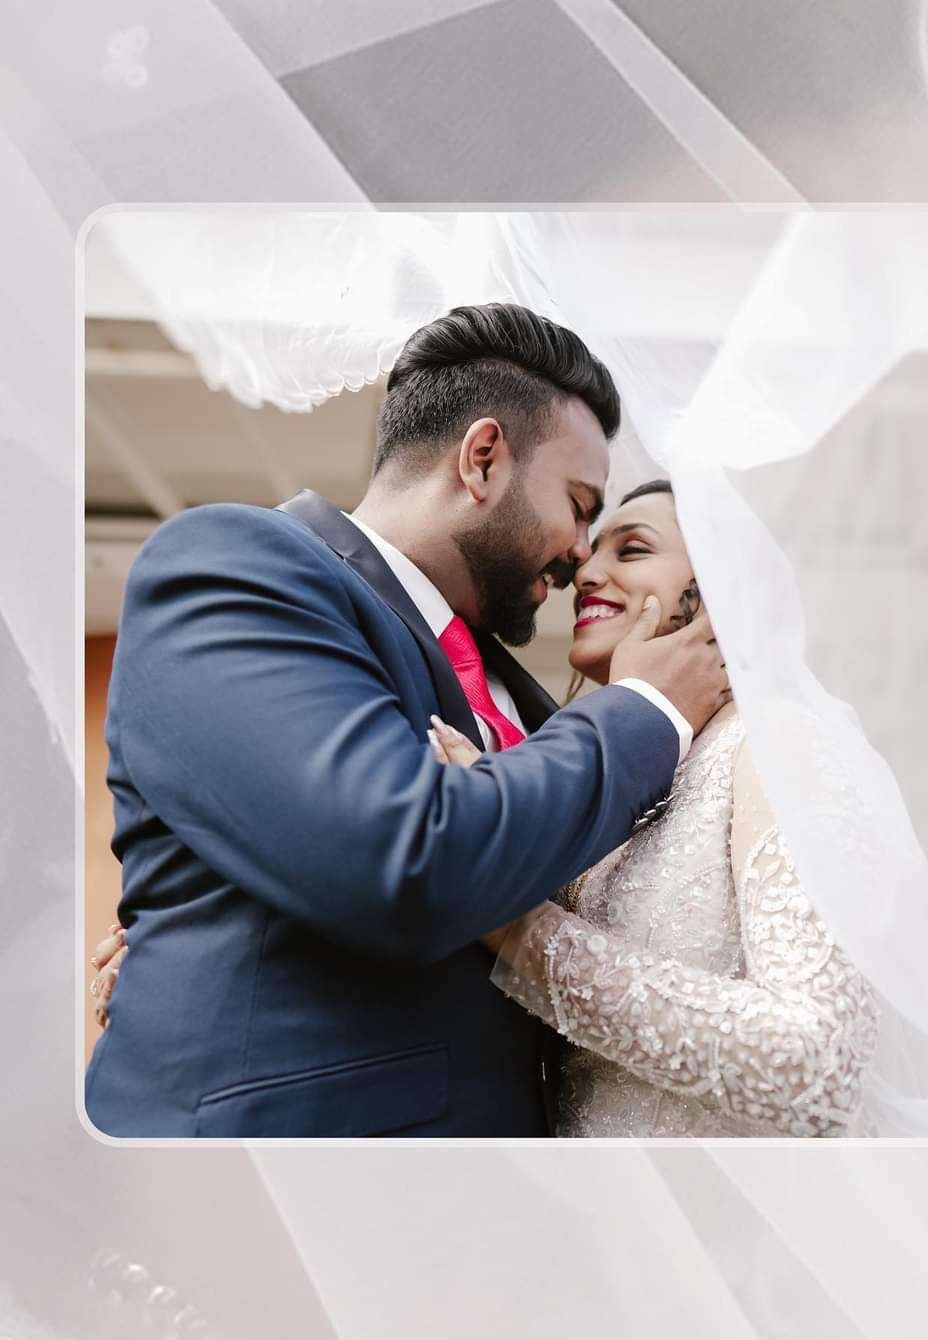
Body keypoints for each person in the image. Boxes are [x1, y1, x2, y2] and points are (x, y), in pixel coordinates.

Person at [84, 304, 729, 1138]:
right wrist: (646, 709)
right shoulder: (235, 567)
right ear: (483, 458)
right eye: (578, 505)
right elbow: (397, 857)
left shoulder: (530, 705)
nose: (581, 554)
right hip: (286, 1171)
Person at [428, 480, 882, 1137]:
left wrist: (519, 931)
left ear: (723, 586)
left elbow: (820, 1065)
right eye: (593, 553)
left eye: (632, 549)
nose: (587, 572)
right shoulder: (614, 773)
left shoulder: (780, 744)